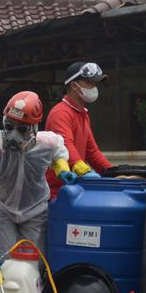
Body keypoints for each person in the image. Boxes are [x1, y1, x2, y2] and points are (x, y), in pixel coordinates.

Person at [0, 91, 76, 269]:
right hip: (1, 211)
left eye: (22, 129)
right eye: (9, 127)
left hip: (36, 211)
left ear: (34, 128)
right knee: (4, 264)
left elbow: (59, 151)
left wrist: (62, 168)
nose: (14, 135)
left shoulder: (47, 143)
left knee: (35, 265)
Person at [44, 61, 111, 200]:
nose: (94, 88)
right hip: (57, 194)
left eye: (95, 84)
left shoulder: (83, 114)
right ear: (74, 86)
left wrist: (113, 172)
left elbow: (92, 152)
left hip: (75, 191)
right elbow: (66, 146)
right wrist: (85, 172)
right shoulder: (61, 113)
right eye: (90, 83)